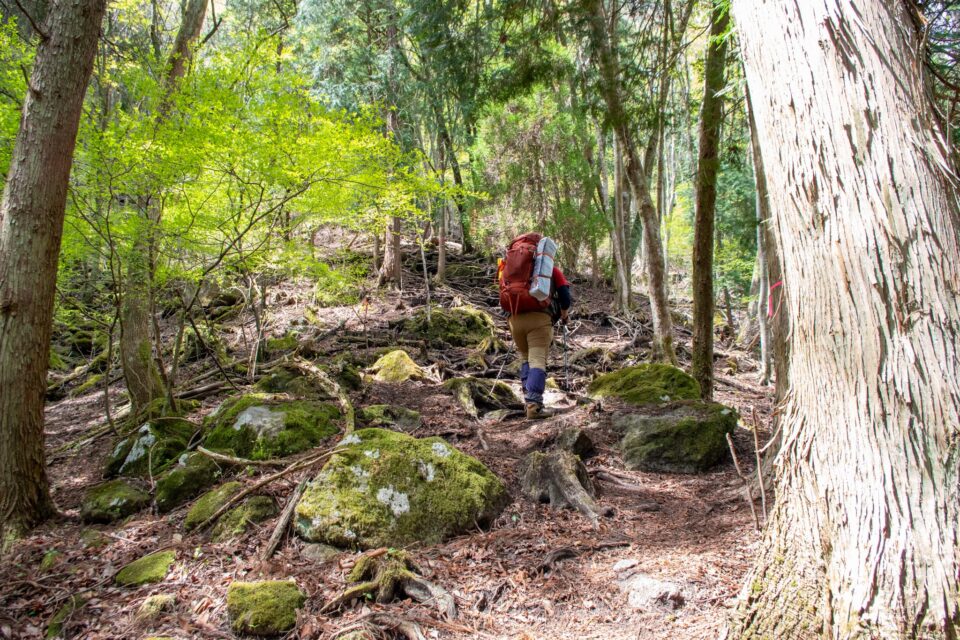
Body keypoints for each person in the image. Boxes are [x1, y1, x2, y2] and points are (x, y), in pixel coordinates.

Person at [499, 237, 572, 419]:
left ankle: (528, 401)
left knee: (526, 359)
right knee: (537, 360)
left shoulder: (509, 269)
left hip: (514, 320)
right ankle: (534, 406)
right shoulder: (549, 270)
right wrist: (564, 313)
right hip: (539, 319)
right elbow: (565, 296)